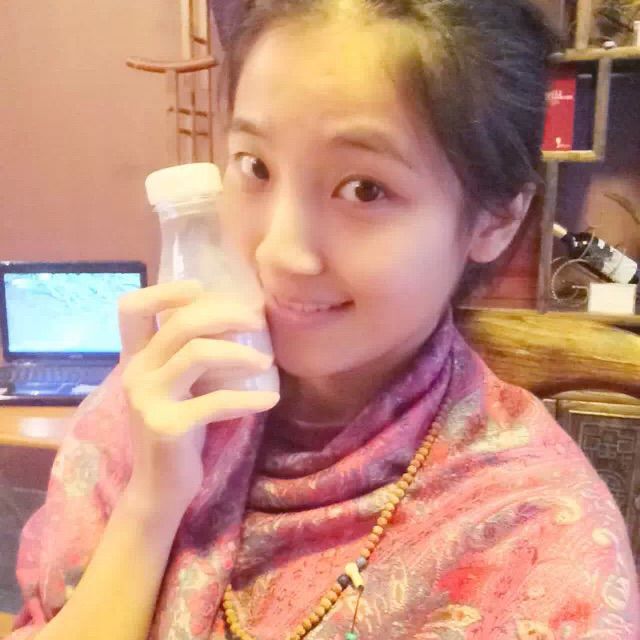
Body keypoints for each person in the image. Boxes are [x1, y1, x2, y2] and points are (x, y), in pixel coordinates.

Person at [8, 1, 640, 638]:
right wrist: (152, 499)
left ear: (497, 219)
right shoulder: (158, 404)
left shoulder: (536, 545)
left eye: (365, 189)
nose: (280, 252)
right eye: (255, 166)